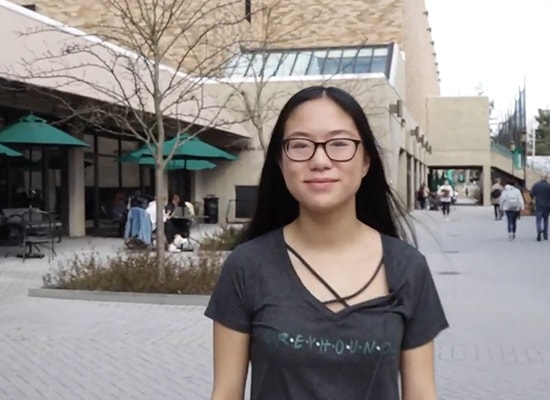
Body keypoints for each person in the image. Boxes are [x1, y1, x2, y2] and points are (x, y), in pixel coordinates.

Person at [205, 86, 449, 400]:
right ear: (281, 162)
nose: (320, 160)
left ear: (365, 162)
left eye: (339, 144)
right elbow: (225, 392)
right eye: (301, 145)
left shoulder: (407, 268)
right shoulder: (247, 266)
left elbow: (422, 394)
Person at [530, 174, 550, 241]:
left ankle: (539, 230)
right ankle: (545, 235)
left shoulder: (536, 185)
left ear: (541, 178)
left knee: (538, 220)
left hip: (539, 204)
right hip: (547, 205)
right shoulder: (548, 185)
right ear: (546, 178)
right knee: (546, 220)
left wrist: (533, 198)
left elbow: (531, 193)